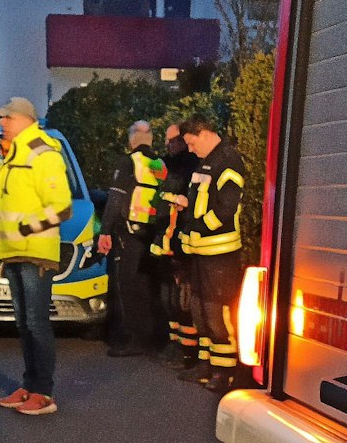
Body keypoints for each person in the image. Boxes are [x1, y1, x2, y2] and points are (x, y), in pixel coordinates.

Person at [0, 96, 71, 416]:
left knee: (36, 322)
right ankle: (29, 385)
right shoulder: (12, 154)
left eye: (6, 118)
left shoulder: (42, 153)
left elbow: (62, 206)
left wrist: (26, 227)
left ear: (24, 119)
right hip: (13, 252)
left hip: (35, 252)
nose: (2, 123)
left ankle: (43, 392)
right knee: (24, 322)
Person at [177, 114, 247, 393]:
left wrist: (199, 227)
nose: (191, 150)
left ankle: (225, 372)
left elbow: (226, 207)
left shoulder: (228, 161)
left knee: (218, 314)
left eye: (192, 143)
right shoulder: (205, 162)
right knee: (200, 309)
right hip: (200, 252)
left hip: (220, 253)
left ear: (204, 133)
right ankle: (208, 365)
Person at [97, 120, 166, 357]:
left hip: (130, 232)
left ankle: (132, 339)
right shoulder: (159, 164)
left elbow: (116, 199)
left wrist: (105, 230)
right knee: (148, 286)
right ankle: (152, 338)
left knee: (128, 287)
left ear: (131, 140)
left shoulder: (129, 162)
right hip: (154, 233)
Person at [156, 122, 200, 371]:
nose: (168, 145)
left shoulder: (189, 167)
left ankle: (188, 351)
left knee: (183, 300)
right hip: (166, 241)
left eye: (172, 141)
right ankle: (175, 343)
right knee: (169, 298)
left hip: (182, 242)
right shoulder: (168, 165)